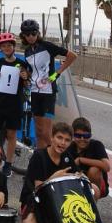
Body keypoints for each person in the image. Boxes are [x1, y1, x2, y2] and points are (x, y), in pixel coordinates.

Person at [19, 19, 77, 149]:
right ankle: (41, 160)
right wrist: (26, 75)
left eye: (33, 33)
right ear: (23, 36)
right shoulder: (27, 51)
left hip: (48, 92)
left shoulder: (47, 46)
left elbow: (72, 56)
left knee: (46, 133)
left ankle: (55, 159)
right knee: (39, 132)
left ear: (37, 33)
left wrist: (56, 74)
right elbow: (31, 71)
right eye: (27, 34)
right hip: (34, 91)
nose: (31, 37)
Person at [20, 122, 84, 223]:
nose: (63, 143)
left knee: (93, 189)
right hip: (35, 201)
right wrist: (53, 178)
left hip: (59, 201)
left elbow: (77, 177)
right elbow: (38, 188)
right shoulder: (39, 156)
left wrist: (79, 177)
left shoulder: (67, 157)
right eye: (59, 138)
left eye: (67, 140)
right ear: (51, 137)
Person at [0, 32, 32, 177]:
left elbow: (28, 85)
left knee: (11, 134)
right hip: (0, 101)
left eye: (9, 45)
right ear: (1, 49)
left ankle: (8, 164)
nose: (7, 48)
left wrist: (25, 78)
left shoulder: (22, 64)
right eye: (4, 46)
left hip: (15, 102)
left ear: (13, 47)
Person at [65, 117, 109, 198]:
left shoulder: (96, 145)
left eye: (86, 136)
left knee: (94, 170)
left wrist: (81, 160)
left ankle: (92, 202)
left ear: (90, 135)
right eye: (78, 135)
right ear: (73, 136)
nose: (82, 139)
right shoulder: (69, 148)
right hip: (75, 181)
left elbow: (107, 166)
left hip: (97, 185)